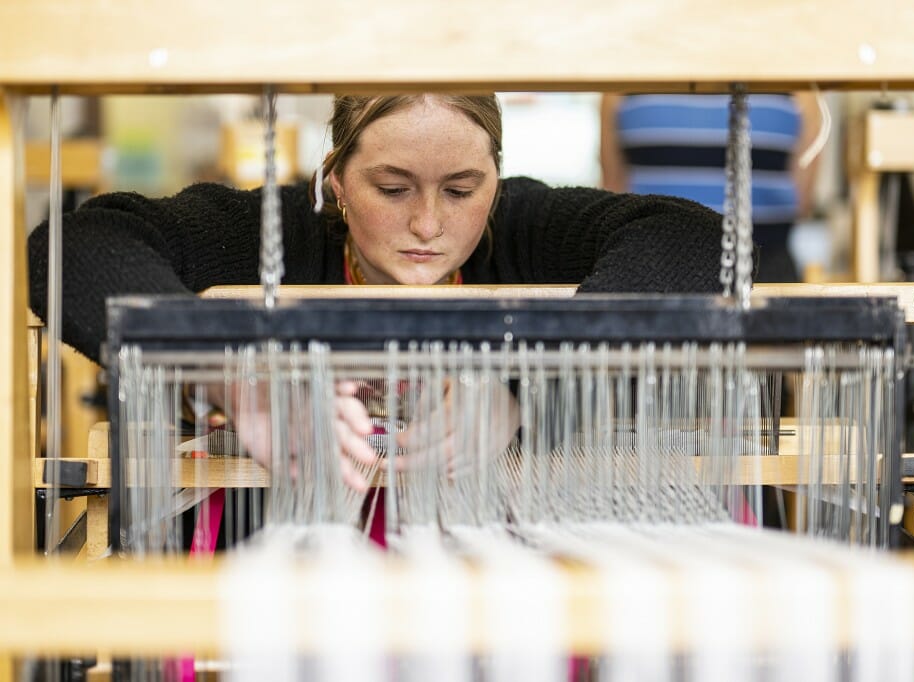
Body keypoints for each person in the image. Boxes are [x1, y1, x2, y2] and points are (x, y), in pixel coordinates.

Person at [28, 93, 726, 489]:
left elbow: (697, 242)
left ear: (497, 178)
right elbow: (73, 247)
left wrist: (526, 381)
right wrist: (234, 371)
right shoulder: (273, 233)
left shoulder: (523, 225)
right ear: (335, 178)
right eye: (392, 189)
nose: (427, 222)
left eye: (462, 190)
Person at [600, 92, 821, 282]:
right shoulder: (798, 89)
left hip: (763, 275)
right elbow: (801, 200)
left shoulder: (799, 88)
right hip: (644, 274)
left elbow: (614, 190)